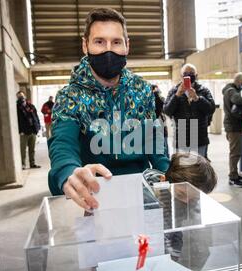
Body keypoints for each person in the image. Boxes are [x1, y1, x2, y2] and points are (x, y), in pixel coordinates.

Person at [48, 8, 170, 210]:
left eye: (116, 42)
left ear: (126, 46)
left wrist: (174, 175)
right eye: (99, 42)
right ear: (85, 45)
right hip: (94, 199)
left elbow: (156, 146)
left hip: (142, 197)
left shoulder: (143, 90)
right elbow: (62, 145)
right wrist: (68, 172)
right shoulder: (69, 97)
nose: (108, 50)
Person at [164, 64, 216, 158]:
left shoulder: (203, 90)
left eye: (191, 73)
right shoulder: (174, 91)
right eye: (185, 73)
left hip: (199, 136)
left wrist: (197, 98)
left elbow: (211, 109)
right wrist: (177, 95)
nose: (188, 75)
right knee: (182, 168)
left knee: (199, 169)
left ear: (196, 75)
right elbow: (167, 111)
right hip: (182, 135)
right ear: (181, 76)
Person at [17, 91, 41, 170]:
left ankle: (32, 163)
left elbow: (36, 117)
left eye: (22, 96)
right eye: (19, 96)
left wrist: (38, 127)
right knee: (23, 149)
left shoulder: (31, 106)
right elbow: (17, 120)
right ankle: (23, 164)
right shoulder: (17, 108)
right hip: (24, 132)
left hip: (32, 130)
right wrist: (20, 131)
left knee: (32, 149)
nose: (21, 98)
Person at [151, 84, 169, 157]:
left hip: (162, 129)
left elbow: (162, 107)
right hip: (153, 130)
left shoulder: (161, 99)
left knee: (165, 150)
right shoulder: (148, 101)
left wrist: (156, 95)